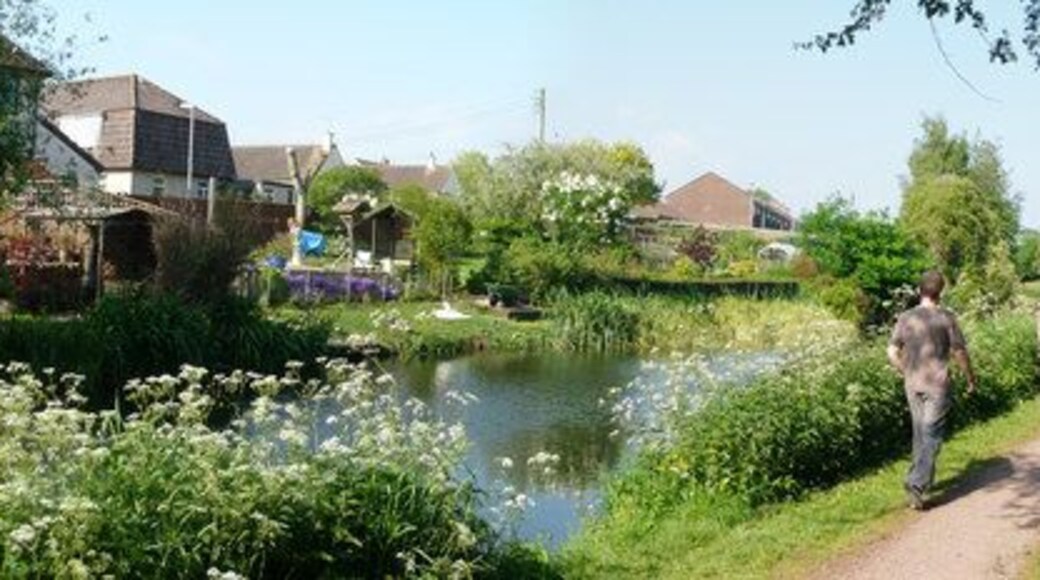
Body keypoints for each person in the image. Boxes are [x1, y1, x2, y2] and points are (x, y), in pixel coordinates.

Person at [887, 270, 977, 510]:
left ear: (920, 290)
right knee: (931, 437)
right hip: (937, 384)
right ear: (941, 291)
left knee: (921, 434)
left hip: (912, 383)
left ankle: (920, 481)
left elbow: (892, 352)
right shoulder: (946, 318)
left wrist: (905, 370)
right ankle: (916, 484)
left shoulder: (906, 317)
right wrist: (970, 377)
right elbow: (959, 351)